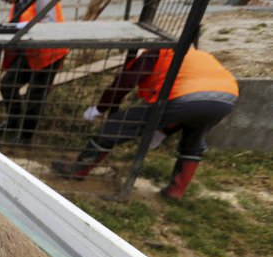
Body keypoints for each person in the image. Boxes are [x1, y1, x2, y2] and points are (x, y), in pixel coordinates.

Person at [51, 46, 239, 200]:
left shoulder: (158, 53)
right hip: (226, 98)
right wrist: (163, 131)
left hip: (184, 98)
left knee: (116, 126)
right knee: (193, 140)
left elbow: (125, 82)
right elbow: (195, 106)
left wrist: (101, 107)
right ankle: (176, 191)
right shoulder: (198, 55)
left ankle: (79, 170)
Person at [0, 0, 69, 144]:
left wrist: (22, 32)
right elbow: (13, 27)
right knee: (8, 84)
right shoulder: (18, 2)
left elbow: (49, 24)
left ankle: (25, 137)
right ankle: (13, 122)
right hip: (30, 52)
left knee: (35, 95)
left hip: (49, 53)